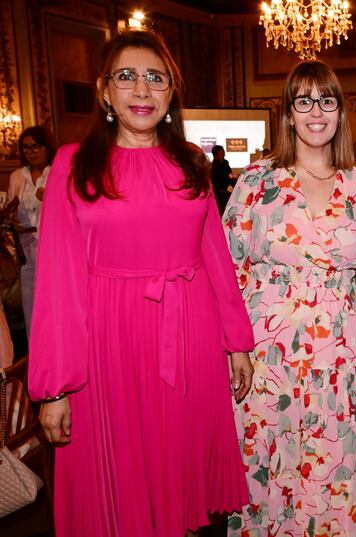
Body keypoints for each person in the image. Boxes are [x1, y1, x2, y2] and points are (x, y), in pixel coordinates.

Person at [28, 30, 255, 536]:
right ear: (104, 91)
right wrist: (55, 386)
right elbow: (58, 282)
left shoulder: (192, 161)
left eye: (156, 78)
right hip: (108, 345)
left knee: (182, 470)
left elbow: (214, 255)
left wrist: (237, 340)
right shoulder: (73, 164)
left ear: (172, 93)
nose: (142, 90)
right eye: (127, 76)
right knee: (121, 485)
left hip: (190, 334)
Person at [224, 60, 356, 536]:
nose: (316, 111)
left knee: (340, 470)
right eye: (304, 101)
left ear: (340, 112)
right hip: (266, 357)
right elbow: (229, 270)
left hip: (343, 357)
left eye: (327, 100)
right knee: (269, 471)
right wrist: (234, 349)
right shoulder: (256, 183)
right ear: (288, 114)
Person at [7, 126, 57, 339]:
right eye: (26, 147)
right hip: (26, 248)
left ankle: (58, 350)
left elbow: (74, 207)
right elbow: (11, 207)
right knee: (30, 305)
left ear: (47, 147)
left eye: (36, 146)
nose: (31, 151)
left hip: (53, 248)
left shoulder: (58, 172)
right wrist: (11, 220)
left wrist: (52, 198)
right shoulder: (17, 176)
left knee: (54, 302)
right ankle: (35, 351)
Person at [211, 144, 235, 214]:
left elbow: (229, 175)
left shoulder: (225, 163)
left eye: (223, 151)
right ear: (216, 155)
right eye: (222, 152)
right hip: (220, 193)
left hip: (227, 190)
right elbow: (217, 181)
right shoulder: (214, 167)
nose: (224, 154)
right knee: (221, 211)